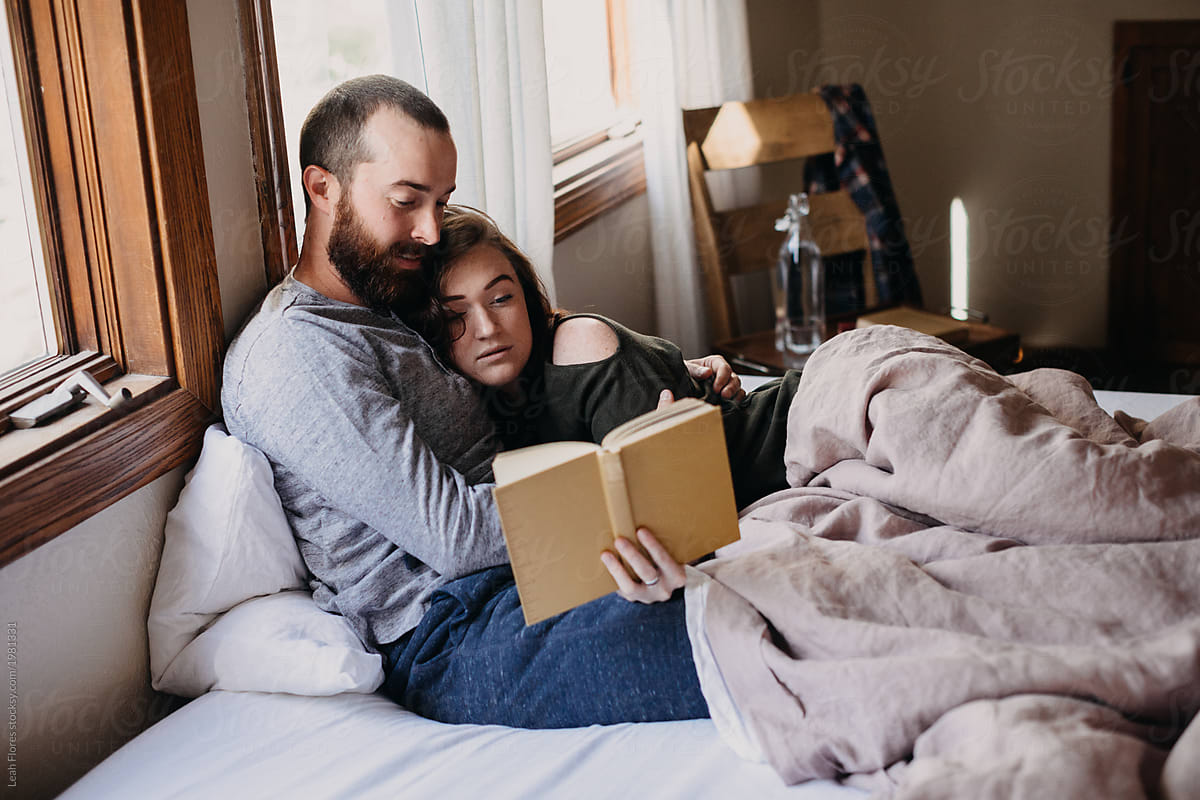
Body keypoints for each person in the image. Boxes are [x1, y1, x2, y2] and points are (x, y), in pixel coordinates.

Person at [222, 75, 741, 727]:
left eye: (440, 202)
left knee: (775, 596)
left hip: (532, 578)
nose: (430, 230)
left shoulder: (386, 296)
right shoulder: (297, 354)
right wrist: (629, 498)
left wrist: (666, 370)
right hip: (458, 635)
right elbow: (456, 535)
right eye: (407, 201)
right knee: (749, 638)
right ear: (323, 188)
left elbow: (506, 351)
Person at [408, 205, 803, 511]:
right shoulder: (466, 412)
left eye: (501, 298)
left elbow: (678, 512)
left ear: (525, 298)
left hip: (799, 426)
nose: (488, 327)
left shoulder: (578, 343)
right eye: (454, 315)